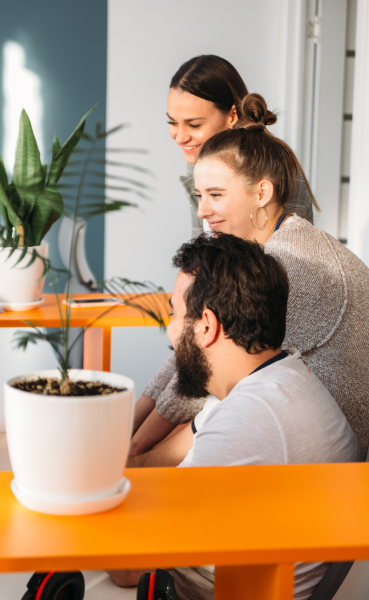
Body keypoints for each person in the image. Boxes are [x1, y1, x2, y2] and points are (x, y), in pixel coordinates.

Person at [110, 233, 361, 600]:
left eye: (174, 315)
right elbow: (149, 462)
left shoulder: (251, 417)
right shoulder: (276, 375)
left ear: (207, 326)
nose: (170, 330)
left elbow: (128, 568)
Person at [131, 91, 369, 457]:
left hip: (333, 448)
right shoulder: (267, 247)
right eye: (199, 196)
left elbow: (205, 356)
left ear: (262, 192)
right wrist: (134, 421)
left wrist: (135, 444)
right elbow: (190, 335)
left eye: (215, 195)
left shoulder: (291, 263)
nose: (203, 211)